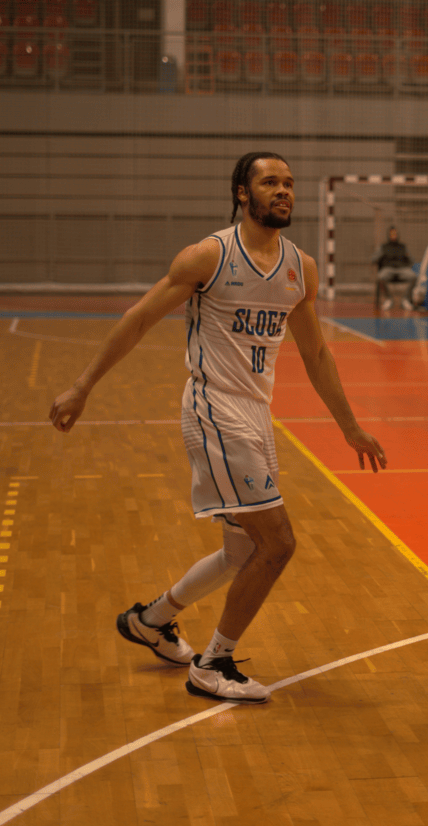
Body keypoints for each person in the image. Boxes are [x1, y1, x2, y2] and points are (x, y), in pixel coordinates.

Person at [49, 151, 387, 705]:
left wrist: (350, 428)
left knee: (240, 553)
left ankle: (150, 621)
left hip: (256, 415)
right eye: (270, 182)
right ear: (242, 193)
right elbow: (140, 318)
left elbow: (316, 353)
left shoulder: (300, 267)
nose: (284, 191)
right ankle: (212, 665)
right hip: (213, 408)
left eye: (289, 183)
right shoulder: (210, 256)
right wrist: (82, 385)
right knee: (277, 544)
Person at [373, 226, 416, 310]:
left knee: (414, 276)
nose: (393, 235)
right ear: (388, 235)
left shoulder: (403, 246)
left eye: (395, 234)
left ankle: (405, 299)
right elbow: (373, 258)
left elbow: (411, 259)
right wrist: (379, 257)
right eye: (392, 234)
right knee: (380, 277)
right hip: (388, 269)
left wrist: (407, 263)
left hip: (401, 269)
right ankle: (389, 299)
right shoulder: (383, 247)